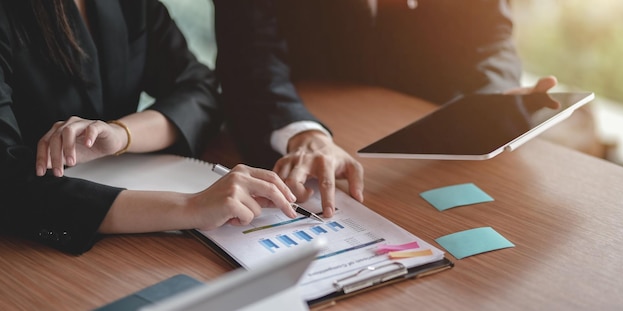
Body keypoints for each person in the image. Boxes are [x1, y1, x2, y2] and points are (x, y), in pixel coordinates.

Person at [0, 0, 305, 254]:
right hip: (32, 253)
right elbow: (8, 181)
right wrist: (190, 207)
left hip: (126, 231)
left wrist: (121, 134)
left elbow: (200, 89)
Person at [212, 0, 556, 218]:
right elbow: (249, 51)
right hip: (306, 116)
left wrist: (492, 97)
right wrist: (304, 132)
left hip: (431, 139)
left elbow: (490, 34)